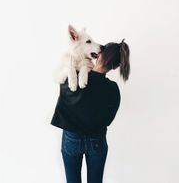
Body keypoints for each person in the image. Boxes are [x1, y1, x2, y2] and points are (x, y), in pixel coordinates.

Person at [50, 39, 130, 183]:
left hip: (71, 139)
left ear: (98, 55)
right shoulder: (113, 89)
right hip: (97, 141)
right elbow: (108, 120)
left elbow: (63, 101)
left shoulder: (73, 77)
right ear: (116, 66)